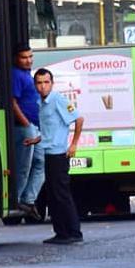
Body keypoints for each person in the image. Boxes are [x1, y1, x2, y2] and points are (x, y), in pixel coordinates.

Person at [28, 68, 84, 245]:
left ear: (52, 83)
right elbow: (51, 128)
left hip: (59, 154)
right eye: (39, 83)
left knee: (62, 194)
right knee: (52, 195)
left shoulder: (58, 100)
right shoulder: (41, 103)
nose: (43, 86)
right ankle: (61, 233)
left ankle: (74, 232)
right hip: (48, 152)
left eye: (46, 82)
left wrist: (74, 143)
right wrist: (36, 139)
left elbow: (78, 119)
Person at [11, 44, 45, 219]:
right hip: (26, 128)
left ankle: (28, 200)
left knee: (41, 161)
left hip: (35, 127)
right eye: (24, 57)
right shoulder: (16, 74)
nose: (29, 60)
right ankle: (16, 199)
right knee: (24, 165)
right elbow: (13, 102)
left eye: (30, 56)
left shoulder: (26, 74)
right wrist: (26, 124)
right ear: (17, 58)